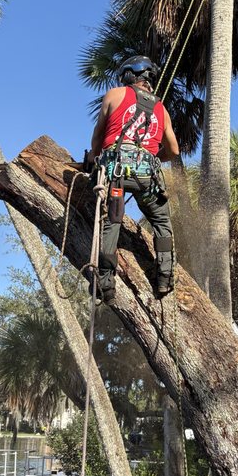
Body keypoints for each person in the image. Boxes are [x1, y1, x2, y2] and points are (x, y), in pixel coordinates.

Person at [88, 55, 180, 304]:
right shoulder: (161, 108)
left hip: (115, 174)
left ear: (129, 75)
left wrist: (92, 159)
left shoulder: (114, 95)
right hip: (146, 177)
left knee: (111, 222)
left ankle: (105, 283)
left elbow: (98, 138)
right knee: (162, 221)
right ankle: (165, 277)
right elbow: (174, 151)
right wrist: (149, 156)